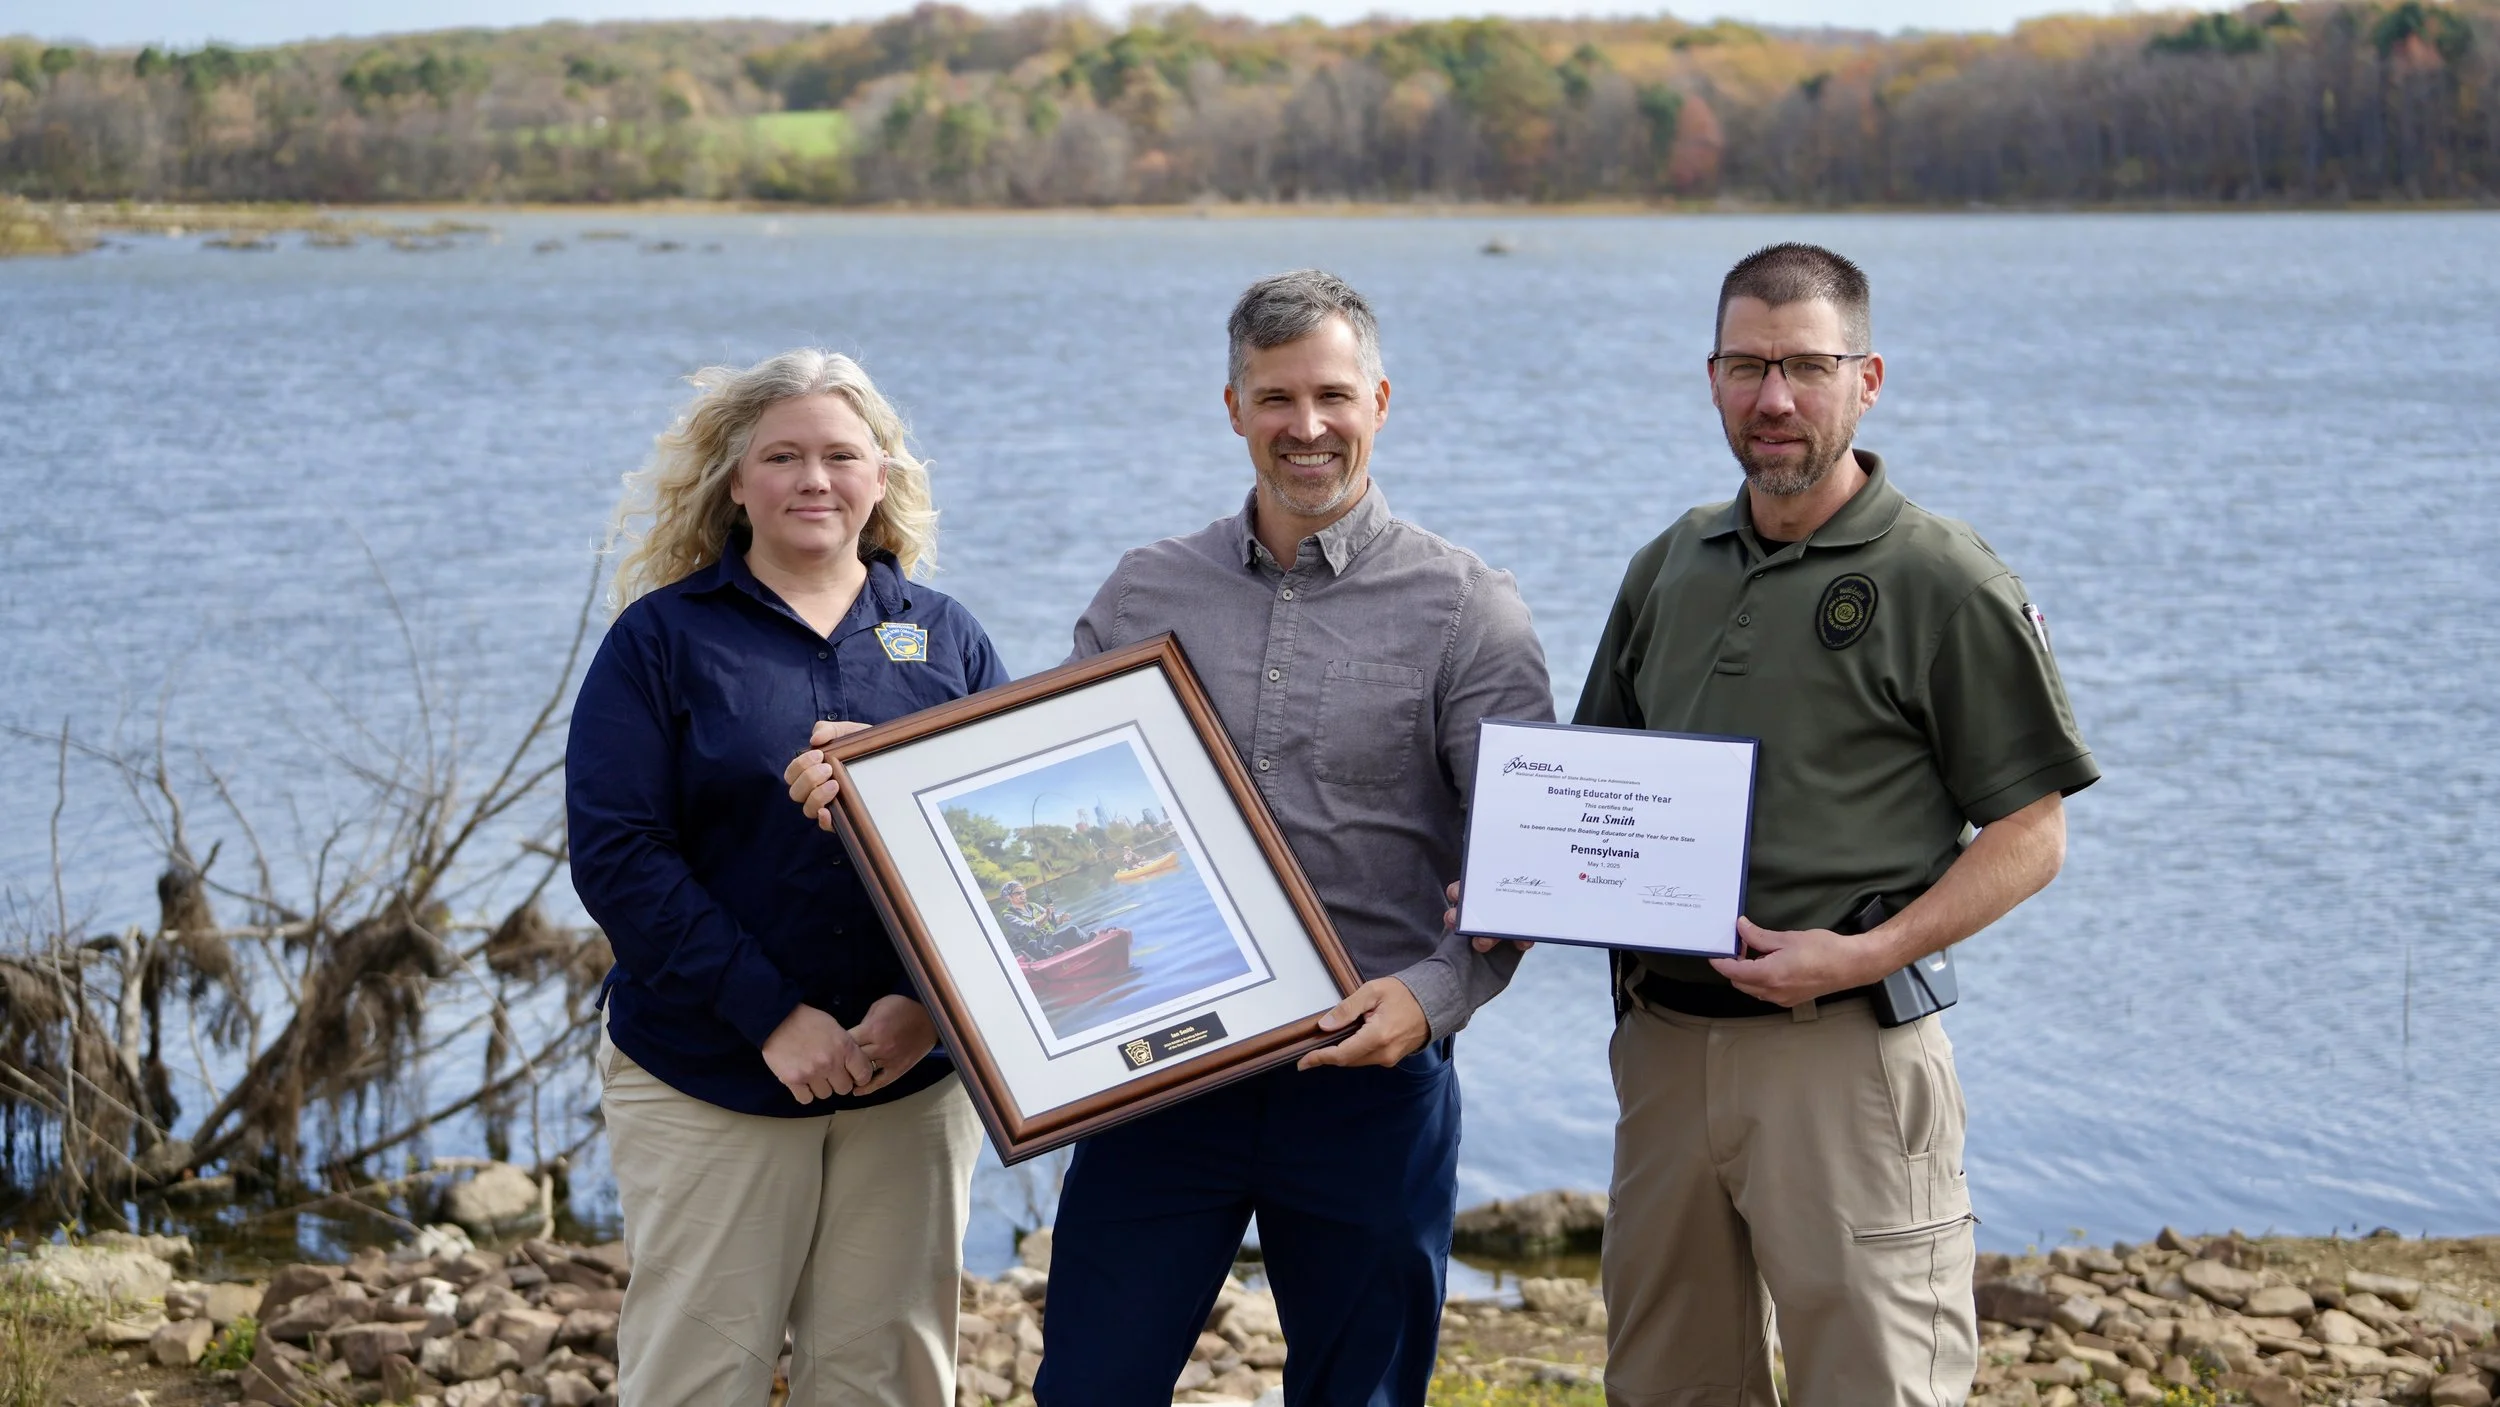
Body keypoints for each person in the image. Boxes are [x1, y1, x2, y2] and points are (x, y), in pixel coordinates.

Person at [787, 270, 1555, 1405]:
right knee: (1090, 1385)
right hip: (1156, 1080)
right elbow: (1026, 778)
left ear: (1380, 402)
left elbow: (1523, 873)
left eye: (1332, 396)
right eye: (1276, 397)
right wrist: (875, 767)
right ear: (1232, 407)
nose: (1307, 427)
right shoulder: (1150, 588)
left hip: (1368, 1082)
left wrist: (1433, 1000)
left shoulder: (1467, 610)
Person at [1575, 244, 2098, 1406]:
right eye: (1748, 366)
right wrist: (1514, 887)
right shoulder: (1668, 567)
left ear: (1867, 380)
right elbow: (1594, 792)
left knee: (1872, 1385)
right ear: (1710, 377)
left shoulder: (1943, 578)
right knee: (1664, 1386)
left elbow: (2030, 832)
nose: (1774, 398)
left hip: (1843, 1052)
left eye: (1806, 367)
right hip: (1662, 1051)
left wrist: (1864, 952)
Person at [567, 349, 1007, 1407]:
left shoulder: (946, 638)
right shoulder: (660, 641)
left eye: (841, 455)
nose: (815, 480)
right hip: (711, 1074)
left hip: (905, 1079)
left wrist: (932, 1014)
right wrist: (771, 1017)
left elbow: (999, 854)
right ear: (733, 481)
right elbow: (619, 856)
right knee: (696, 1376)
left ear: (883, 475)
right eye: (783, 456)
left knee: (885, 1381)